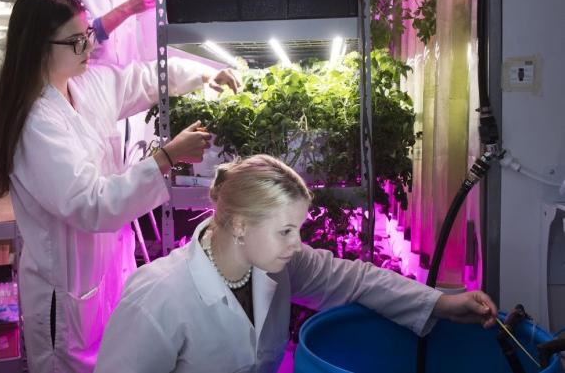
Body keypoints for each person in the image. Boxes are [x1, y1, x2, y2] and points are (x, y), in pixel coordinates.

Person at [0, 0, 234, 373]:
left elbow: (144, 79)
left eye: (86, 35)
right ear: (39, 47)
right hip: (66, 300)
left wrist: (203, 74)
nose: (88, 46)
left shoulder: (84, 86)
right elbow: (92, 204)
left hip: (106, 276)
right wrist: (166, 157)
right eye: (75, 40)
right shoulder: (37, 123)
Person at [94, 154, 498, 373]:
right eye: (285, 230)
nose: (297, 244)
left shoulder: (276, 265)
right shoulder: (158, 298)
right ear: (240, 224)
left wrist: (443, 303)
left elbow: (356, 280)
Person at [36, 0, 239, 161]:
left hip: (127, 96)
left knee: (123, 170)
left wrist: (203, 71)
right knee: (94, 171)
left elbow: (144, 71)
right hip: (82, 97)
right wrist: (128, 8)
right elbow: (70, 42)